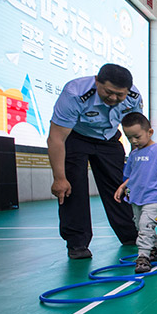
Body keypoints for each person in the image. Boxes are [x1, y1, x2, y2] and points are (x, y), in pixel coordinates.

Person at [48, 63, 141, 259]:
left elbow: (136, 133)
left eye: (120, 95)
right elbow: (56, 138)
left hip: (108, 139)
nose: (114, 98)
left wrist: (138, 168)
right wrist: (59, 178)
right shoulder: (74, 94)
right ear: (96, 81)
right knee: (72, 187)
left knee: (120, 186)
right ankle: (77, 243)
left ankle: (131, 234)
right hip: (76, 137)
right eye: (109, 92)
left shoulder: (133, 97)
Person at [113, 113, 157, 273]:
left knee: (145, 225)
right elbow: (133, 175)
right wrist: (122, 186)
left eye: (137, 136)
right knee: (139, 225)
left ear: (149, 132)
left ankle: (143, 257)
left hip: (154, 196)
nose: (134, 141)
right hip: (136, 197)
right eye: (129, 138)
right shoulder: (134, 154)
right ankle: (155, 248)